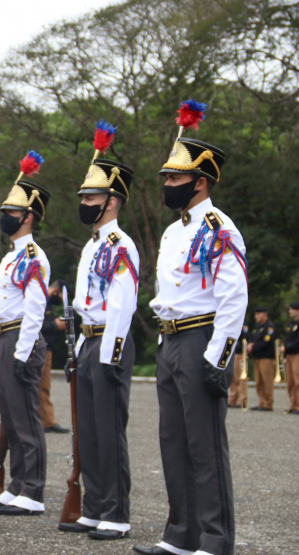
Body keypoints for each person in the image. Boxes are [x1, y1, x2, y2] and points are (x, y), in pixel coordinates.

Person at [136, 111, 247, 555]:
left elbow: (233, 298)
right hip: (170, 340)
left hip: (201, 341)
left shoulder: (220, 229)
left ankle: (215, 541)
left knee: (205, 446)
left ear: (200, 181)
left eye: (175, 177)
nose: (168, 184)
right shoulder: (172, 231)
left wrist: (218, 358)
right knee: (174, 443)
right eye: (167, 177)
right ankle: (181, 536)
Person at [59, 131, 138, 540]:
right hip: (89, 341)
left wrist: (111, 353)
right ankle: (93, 507)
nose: (85, 203)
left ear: (112, 201)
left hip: (110, 340)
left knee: (108, 432)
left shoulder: (121, 245)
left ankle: (116, 512)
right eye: (84, 196)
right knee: (87, 431)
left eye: (92, 197)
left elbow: (122, 305)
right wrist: (81, 349)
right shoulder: (91, 246)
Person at [0, 154, 51, 517]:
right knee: (11, 417)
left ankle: (33, 489)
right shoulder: (12, 256)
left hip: (21, 338)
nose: (5, 216)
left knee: (26, 417)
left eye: (11, 211)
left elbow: (35, 308)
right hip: (4, 337)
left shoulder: (32, 256)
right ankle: (17, 484)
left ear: (27, 216)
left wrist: (24, 353)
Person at [40, 281, 70, 434]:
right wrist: (54, 324)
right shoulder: (40, 298)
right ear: (56, 291)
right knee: (36, 386)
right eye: (60, 296)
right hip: (39, 349)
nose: (60, 300)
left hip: (47, 349)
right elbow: (35, 324)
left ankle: (47, 421)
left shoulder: (48, 302)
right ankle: (38, 421)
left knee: (44, 387)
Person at [247, 306, 277, 411]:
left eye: (259, 314)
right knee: (259, 381)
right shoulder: (257, 327)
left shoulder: (269, 327)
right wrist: (250, 343)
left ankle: (268, 402)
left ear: (265, 315)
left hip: (266, 357)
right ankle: (262, 401)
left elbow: (267, 341)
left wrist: (253, 346)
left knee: (266, 380)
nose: (256, 317)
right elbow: (253, 338)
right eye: (256, 314)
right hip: (257, 357)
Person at [282, 302, 299, 414]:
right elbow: (288, 339)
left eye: (292, 309)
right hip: (289, 355)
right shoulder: (291, 324)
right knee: (291, 381)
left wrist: (286, 347)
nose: (290, 311)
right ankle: (293, 404)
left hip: (297, 354)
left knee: (298, 380)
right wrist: (285, 354)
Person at [227, 325, 249, 408]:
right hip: (232, 353)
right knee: (233, 378)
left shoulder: (243, 325)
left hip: (239, 353)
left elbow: (245, 339)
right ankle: (233, 398)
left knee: (240, 377)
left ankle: (241, 399)